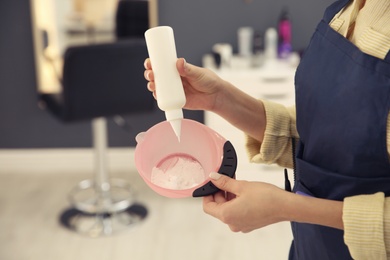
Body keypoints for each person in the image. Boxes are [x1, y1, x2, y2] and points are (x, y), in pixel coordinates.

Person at [144, 0, 390, 259]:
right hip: (311, 248)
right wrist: (219, 97)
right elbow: (321, 133)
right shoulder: (348, 8)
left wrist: (287, 207)